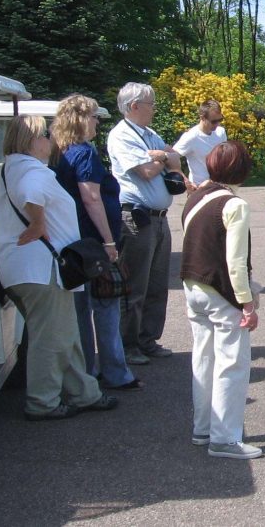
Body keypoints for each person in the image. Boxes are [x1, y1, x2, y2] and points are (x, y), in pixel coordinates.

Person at [0, 115, 118, 420]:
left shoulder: (12, 167)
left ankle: (85, 393)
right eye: (46, 135)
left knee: (64, 333)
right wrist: (38, 223)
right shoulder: (32, 170)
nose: (52, 141)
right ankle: (42, 402)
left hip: (25, 268)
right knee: (51, 338)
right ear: (32, 139)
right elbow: (31, 194)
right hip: (40, 269)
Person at [53, 95, 142, 391]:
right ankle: (115, 373)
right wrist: (108, 241)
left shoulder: (61, 151)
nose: (96, 123)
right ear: (81, 119)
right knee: (106, 304)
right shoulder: (84, 153)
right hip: (91, 243)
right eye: (93, 117)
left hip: (72, 241)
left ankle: (86, 373)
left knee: (81, 310)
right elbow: (91, 198)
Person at [181, 140, 263, 459]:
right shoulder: (234, 205)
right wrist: (247, 303)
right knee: (232, 363)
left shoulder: (196, 197)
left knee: (203, 360)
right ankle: (225, 438)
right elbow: (236, 262)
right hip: (220, 291)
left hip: (193, 286)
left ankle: (203, 429)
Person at [107, 82, 180, 366]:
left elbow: (172, 156)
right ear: (134, 106)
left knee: (157, 284)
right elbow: (147, 171)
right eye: (151, 104)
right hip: (136, 217)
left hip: (158, 217)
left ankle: (148, 339)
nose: (154, 109)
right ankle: (129, 344)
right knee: (135, 285)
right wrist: (161, 157)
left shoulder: (149, 134)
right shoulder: (121, 135)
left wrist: (160, 155)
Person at [174, 99, 228, 187]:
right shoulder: (191, 136)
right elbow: (171, 158)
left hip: (219, 186)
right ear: (202, 118)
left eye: (220, 119)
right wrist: (185, 181)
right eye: (213, 121)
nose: (217, 124)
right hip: (200, 188)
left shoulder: (221, 132)